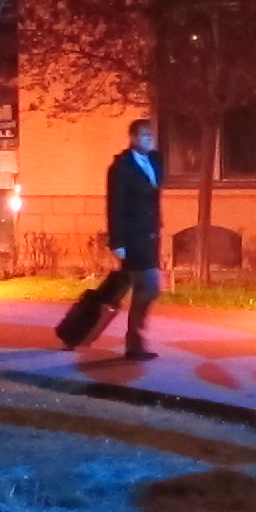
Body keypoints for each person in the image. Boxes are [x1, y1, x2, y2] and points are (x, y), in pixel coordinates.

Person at [106, 118, 163, 360]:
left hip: (150, 236)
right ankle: (134, 342)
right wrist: (117, 241)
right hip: (132, 237)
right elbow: (115, 205)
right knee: (149, 286)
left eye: (151, 135)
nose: (149, 139)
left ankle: (84, 327)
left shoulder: (155, 161)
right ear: (133, 138)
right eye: (144, 135)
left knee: (134, 287)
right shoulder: (121, 167)